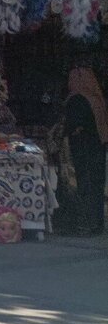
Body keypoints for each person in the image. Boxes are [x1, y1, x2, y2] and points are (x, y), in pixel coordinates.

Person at [64, 66, 108, 235]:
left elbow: (73, 125)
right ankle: (96, 223)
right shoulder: (96, 99)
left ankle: (85, 224)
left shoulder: (78, 99)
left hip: (82, 149)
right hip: (97, 147)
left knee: (84, 185)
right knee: (96, 186)